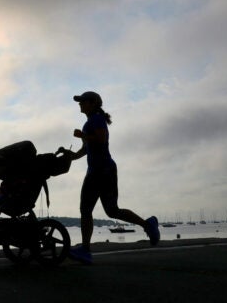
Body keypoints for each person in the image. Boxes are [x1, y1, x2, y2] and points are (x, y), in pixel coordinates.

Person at [60, 91, 160, 265]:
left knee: (86, 209)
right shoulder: (90, 122)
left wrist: (82, 136)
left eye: (83, 101)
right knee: (112, 210)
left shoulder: (96, 119)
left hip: (100, 170)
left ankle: (85, 249)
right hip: (104, 170)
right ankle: (148, 225)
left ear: (93, 103)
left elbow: (101, 139)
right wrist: (69, 156)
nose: (80, 104)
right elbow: (86, 149)